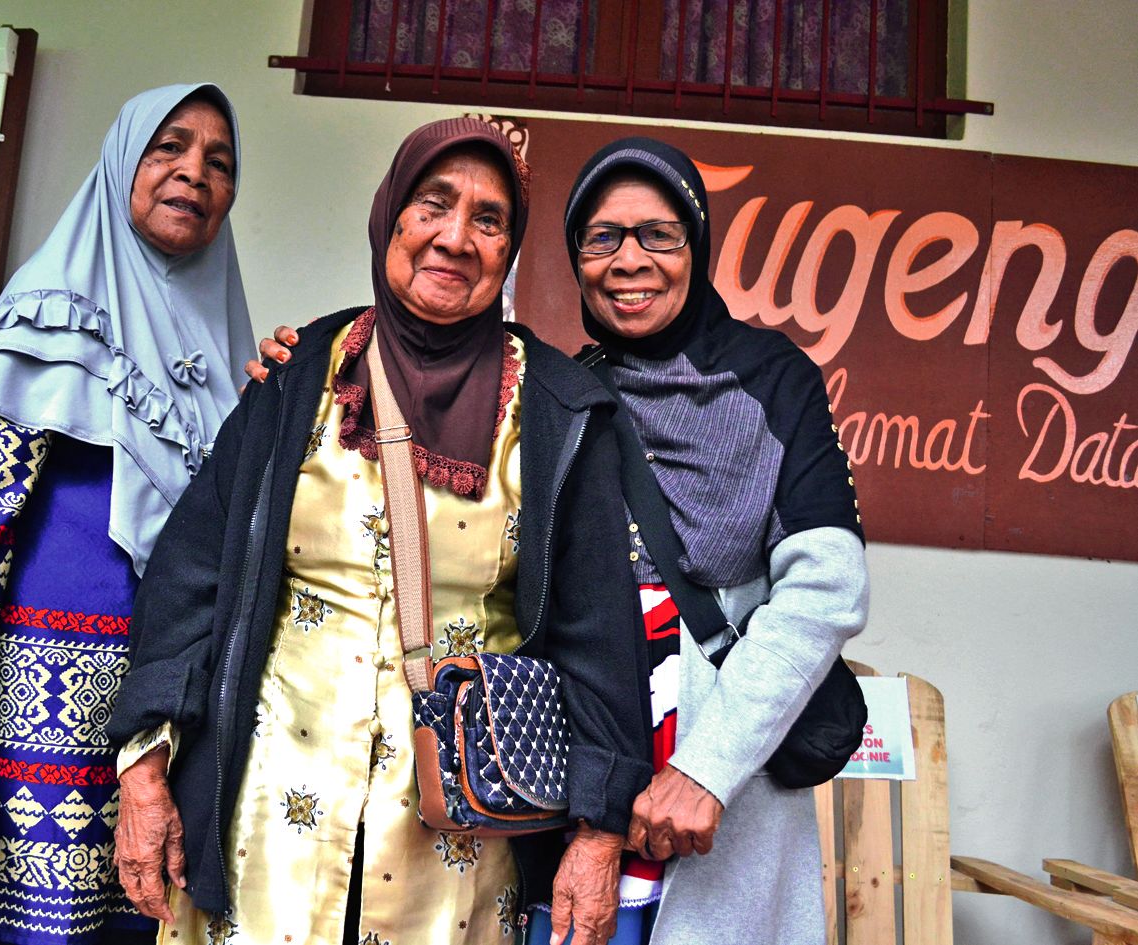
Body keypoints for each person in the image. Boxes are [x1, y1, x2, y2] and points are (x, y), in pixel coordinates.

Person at [253, 135, 869, 945]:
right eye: (601, 237)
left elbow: (826, 588)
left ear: (697, 245)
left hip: (718, 778)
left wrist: (705, 769)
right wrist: (304, 370)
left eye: (658, 234)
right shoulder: (558, 390)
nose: (628, 260)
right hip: (567, 773)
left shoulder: (772, 380)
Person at [107, 117, 652, 945]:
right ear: (389, 216)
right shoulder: (297, 378)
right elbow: (190, 578)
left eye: (488, 220)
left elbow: (599, 635)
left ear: (509, 251)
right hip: (268, 819)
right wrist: (146, 773)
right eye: (432, 204)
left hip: (461, 839)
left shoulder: (557, 411)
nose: (454, 238)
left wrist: (597, 831)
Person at [0, 83, 256, 945]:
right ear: (122, 163)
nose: (193, 173)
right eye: (168, 147)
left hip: (165, 732)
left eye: (220, 161)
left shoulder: (228, 354)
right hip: (31, 722)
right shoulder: (49, 315)